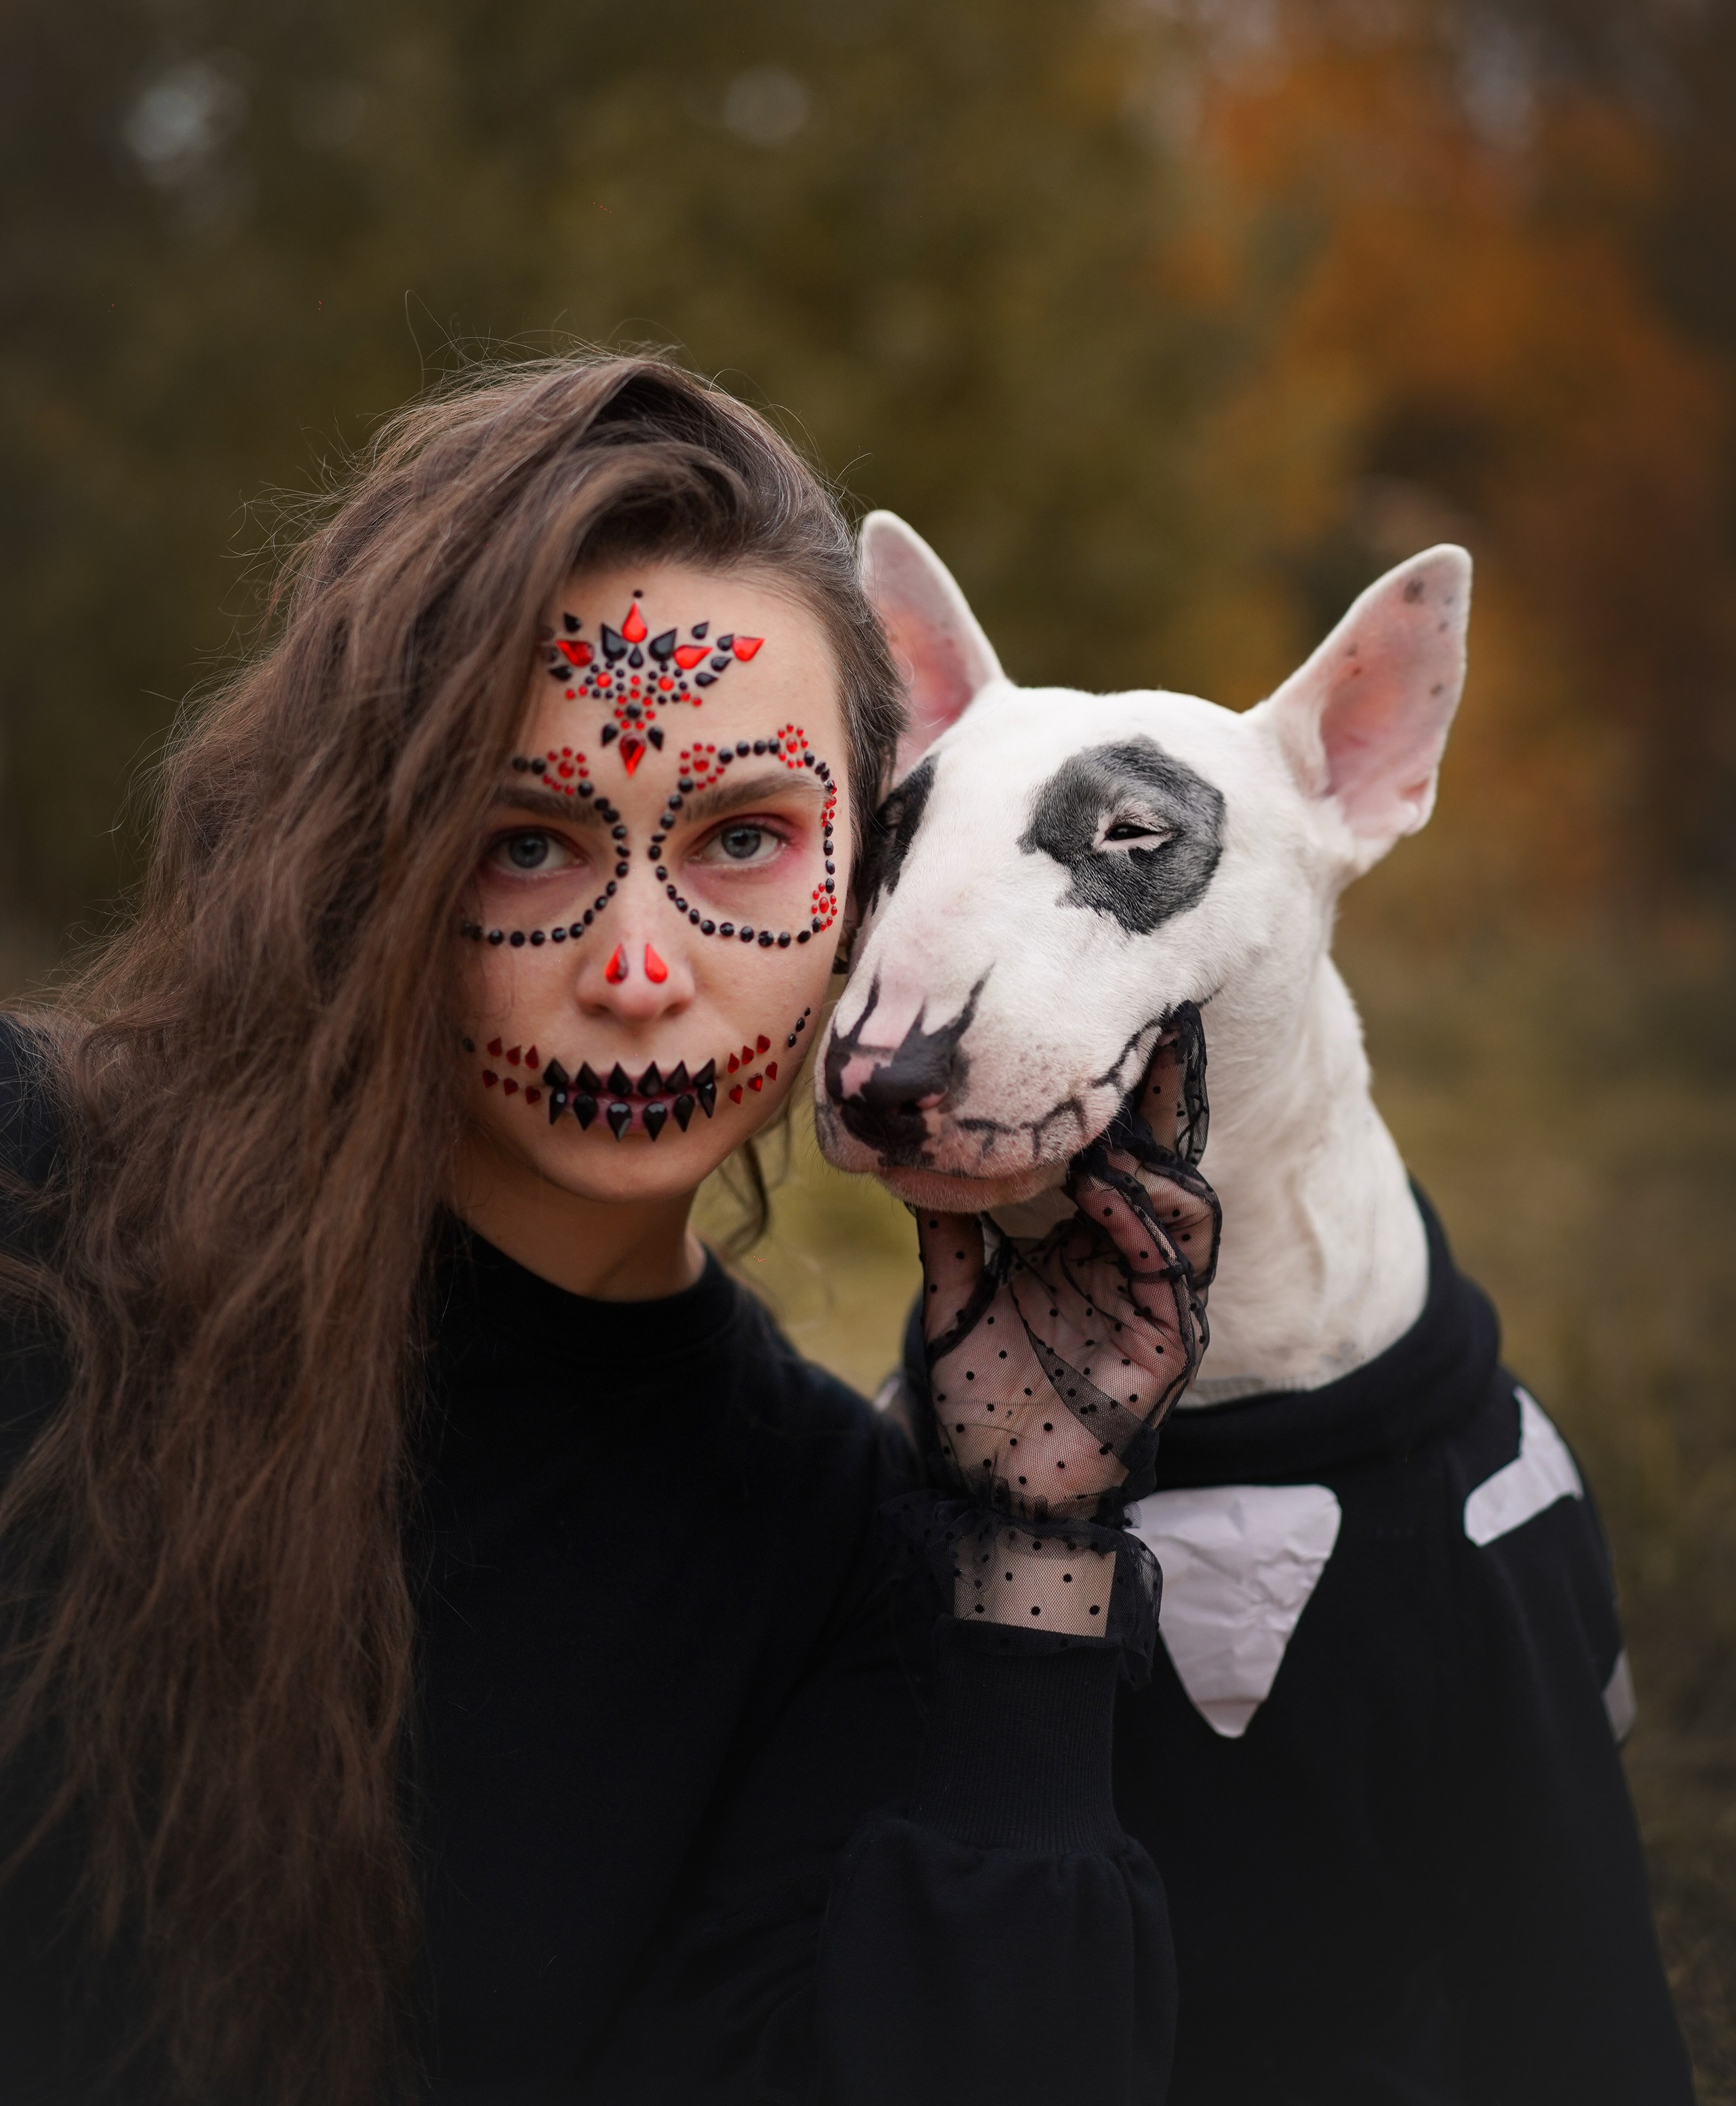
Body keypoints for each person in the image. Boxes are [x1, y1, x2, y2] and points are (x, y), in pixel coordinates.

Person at [0, 359, 1219, 2106]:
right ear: (373, 850)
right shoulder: (36, 1198)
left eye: (739, 838)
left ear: (867, 877)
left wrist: (1034, 1541)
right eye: (525, 841)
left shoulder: (842, 1549)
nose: (638, 973)